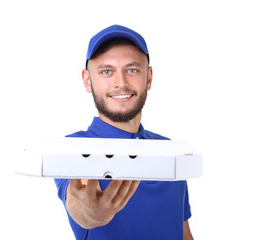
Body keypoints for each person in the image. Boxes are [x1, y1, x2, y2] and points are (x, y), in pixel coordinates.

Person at [54, 24, 194, 240]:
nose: (120, 82)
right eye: (106, 71)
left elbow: (184, 233)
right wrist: (90, 213)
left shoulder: (170, 151)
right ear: (87, 80)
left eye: (132, 70)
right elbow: (79, 204)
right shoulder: (73, 148)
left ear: (148, 78)